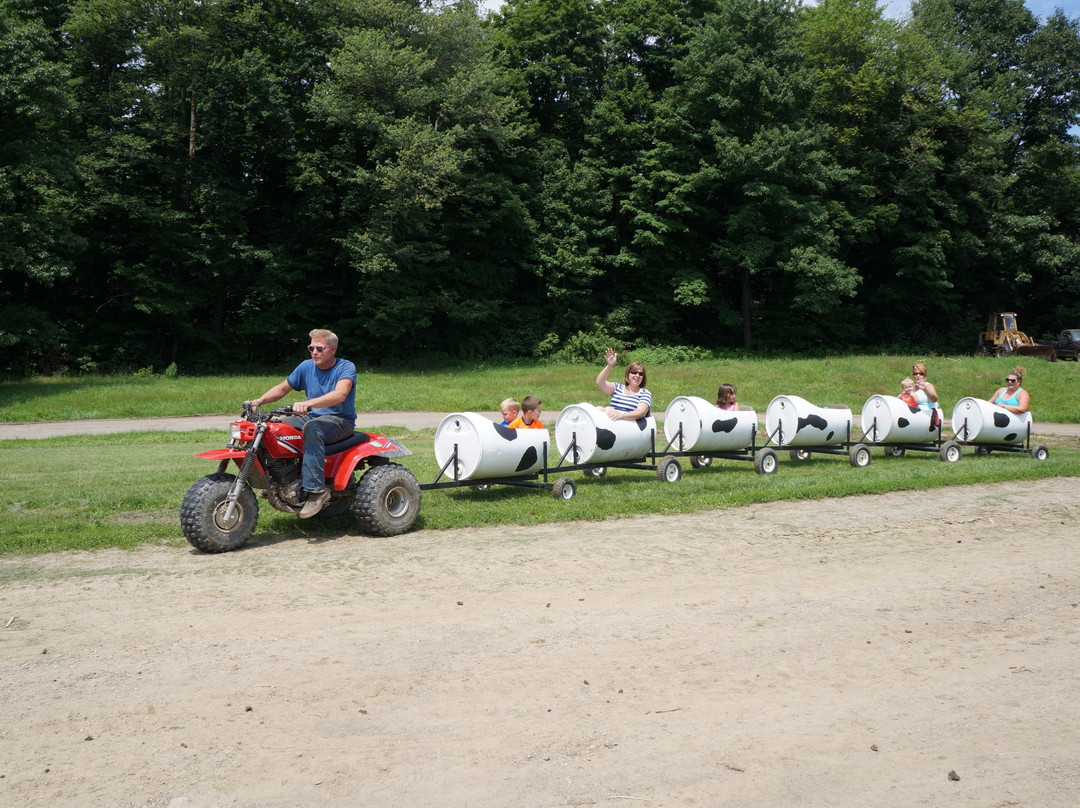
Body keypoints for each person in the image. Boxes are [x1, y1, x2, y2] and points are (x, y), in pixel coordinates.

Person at [248, 328, 357, 518]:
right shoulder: (306, 366)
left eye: (319, 349)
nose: (314, 352)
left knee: (313, 428)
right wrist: (258, 402)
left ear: (332, 349)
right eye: (311, 348)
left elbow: (340, 395)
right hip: (312, 417)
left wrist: (308, 403)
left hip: (339, 421)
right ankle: (277, 481)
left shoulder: (345, 367)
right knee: (272, 428)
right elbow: (283, 388)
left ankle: (316, 491)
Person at [595, 348, 652, 421]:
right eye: (634, 372)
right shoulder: (617, 387)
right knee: (598, 409)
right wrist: (609, 365)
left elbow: (641, 412)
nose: (637, 375)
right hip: (613, 421)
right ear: (628, 375)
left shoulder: (645, 393)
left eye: (641, 374)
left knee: (607, 409)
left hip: (629, 423)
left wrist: (621, 415)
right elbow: (600, 382)